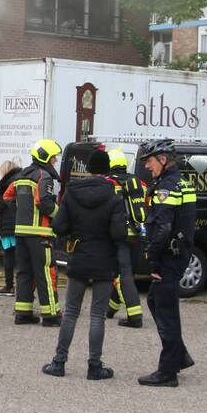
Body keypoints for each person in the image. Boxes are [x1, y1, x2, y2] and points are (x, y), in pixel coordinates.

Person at [42, 150, 126, 380]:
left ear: (88, 169)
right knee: (98, 315)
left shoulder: (72, 193)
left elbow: (59, 226)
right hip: (104, 259)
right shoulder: (114, 197)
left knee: (70, 312)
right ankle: (94, 366)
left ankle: (58, 363)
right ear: (107, 170)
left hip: (78, 256)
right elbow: (119, 233)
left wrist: (74, 232)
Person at [137, 139, 196, 387]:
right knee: (155, 301)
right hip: (178, 254)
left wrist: (152, 257)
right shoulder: (181, 182)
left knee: (166, 309)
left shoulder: (167, 187)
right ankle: (178, 355)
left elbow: (163, 227)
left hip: (169, 257)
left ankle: (168, 372)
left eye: (149, 162)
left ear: (163, 159)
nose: (147, 167)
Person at [5, 138, 63, 326]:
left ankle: (23, 313)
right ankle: (51, 315)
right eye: (54, 158)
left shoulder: (21, 176)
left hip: (20, 235)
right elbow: (44, 203)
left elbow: (7, 196)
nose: (55, 161)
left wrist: (22, 208)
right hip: (40, 235)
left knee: (24, 273)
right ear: (46, 157)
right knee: (46, 273)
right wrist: (60, 216)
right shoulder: (43, 176)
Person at [105, 147, 148, 328]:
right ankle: (111, 309)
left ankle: (134, 315)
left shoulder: (107, 184)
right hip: (138, 236)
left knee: (122, 275)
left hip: (118, 236)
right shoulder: (140, 183)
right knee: (126, 274)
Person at [0, 159, 21, 296]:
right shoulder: (22, 181)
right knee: (22, 258)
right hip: (23, 225)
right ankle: (25, 288)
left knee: (9, 256)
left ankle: (9, 287)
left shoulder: (5, 185)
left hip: (9, 228)